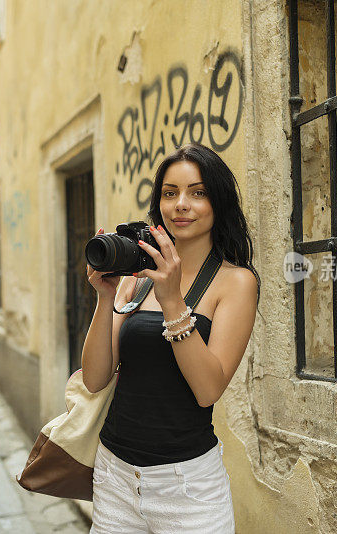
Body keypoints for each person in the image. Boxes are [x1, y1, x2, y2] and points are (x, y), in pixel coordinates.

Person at [82, 142, 260, 533]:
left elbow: (208, 390)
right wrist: (106, 297)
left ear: (218, 203)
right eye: (170, 193)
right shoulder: (136, 276)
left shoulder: (236, 283)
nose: (181, 204)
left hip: (188, 489)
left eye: (198, 193)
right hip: (116, 477)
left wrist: (172, 300)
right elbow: (95, 379)